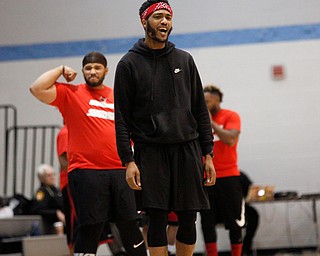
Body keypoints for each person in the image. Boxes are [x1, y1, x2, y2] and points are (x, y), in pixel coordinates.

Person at [113, 1, 216, 255]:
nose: (164, 22)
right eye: (158, 17)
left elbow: (200, 110)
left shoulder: (185, 59)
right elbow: (122, 119)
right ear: (143, 21)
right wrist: (128, 160)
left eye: (168, 17)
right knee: (156, 219)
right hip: (151, 152)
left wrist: (208, 153)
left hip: (187, 149)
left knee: (189, 217)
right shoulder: (128, 64)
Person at [30, 52, 147, 256]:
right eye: (88, 68)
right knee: (90, 227)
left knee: (129, 225)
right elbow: (36, 88)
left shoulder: (118, 96)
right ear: (83, 71)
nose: (92, 71)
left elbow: (135, 130)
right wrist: (60, 69)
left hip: (121, 171)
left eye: (97, 67)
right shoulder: (71, 93)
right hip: (87, 172)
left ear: (105, 71)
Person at [56, 124, 128, 256]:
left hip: (91, 181)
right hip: (73, 183)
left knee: (99, 224)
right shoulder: (65, 132)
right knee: (77, 227)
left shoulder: (84, 131)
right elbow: (63, 160)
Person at [200, 84, 244, 256]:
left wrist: (211, 123)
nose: (204, 104)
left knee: (235, 222)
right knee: (207, 222)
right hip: (206, 178)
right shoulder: (198, 120)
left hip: (229, 177)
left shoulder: (231, 116)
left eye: (207, 101)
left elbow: (230, 140)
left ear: (217, 100)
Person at [31, 163, 65, 235]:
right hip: (51, 225)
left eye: (53, 174)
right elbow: (39, 209)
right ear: (42, 178)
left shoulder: (56, 190)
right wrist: (56, 213)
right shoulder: (41, 192)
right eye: (48, 175)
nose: (52, 177)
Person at [240, 171, 259, 256]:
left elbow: (250, 190)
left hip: (240, 207)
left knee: (253, 215)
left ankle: (246, 247)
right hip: (219, 210)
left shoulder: (240, 175)